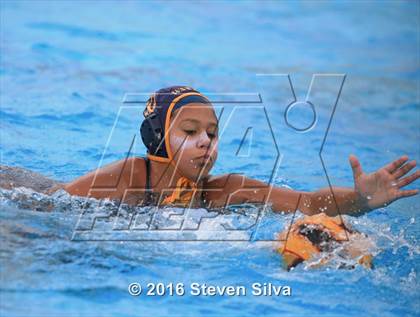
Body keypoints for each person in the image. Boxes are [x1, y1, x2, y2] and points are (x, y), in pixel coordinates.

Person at [4, 85, 420, 216]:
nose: (206, 141)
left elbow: (308, 203)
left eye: (213, 133)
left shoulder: (223, 191)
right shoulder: (134, 175)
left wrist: (363, 200)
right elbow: (54, 202)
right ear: (159, 141)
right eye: (190, 131)